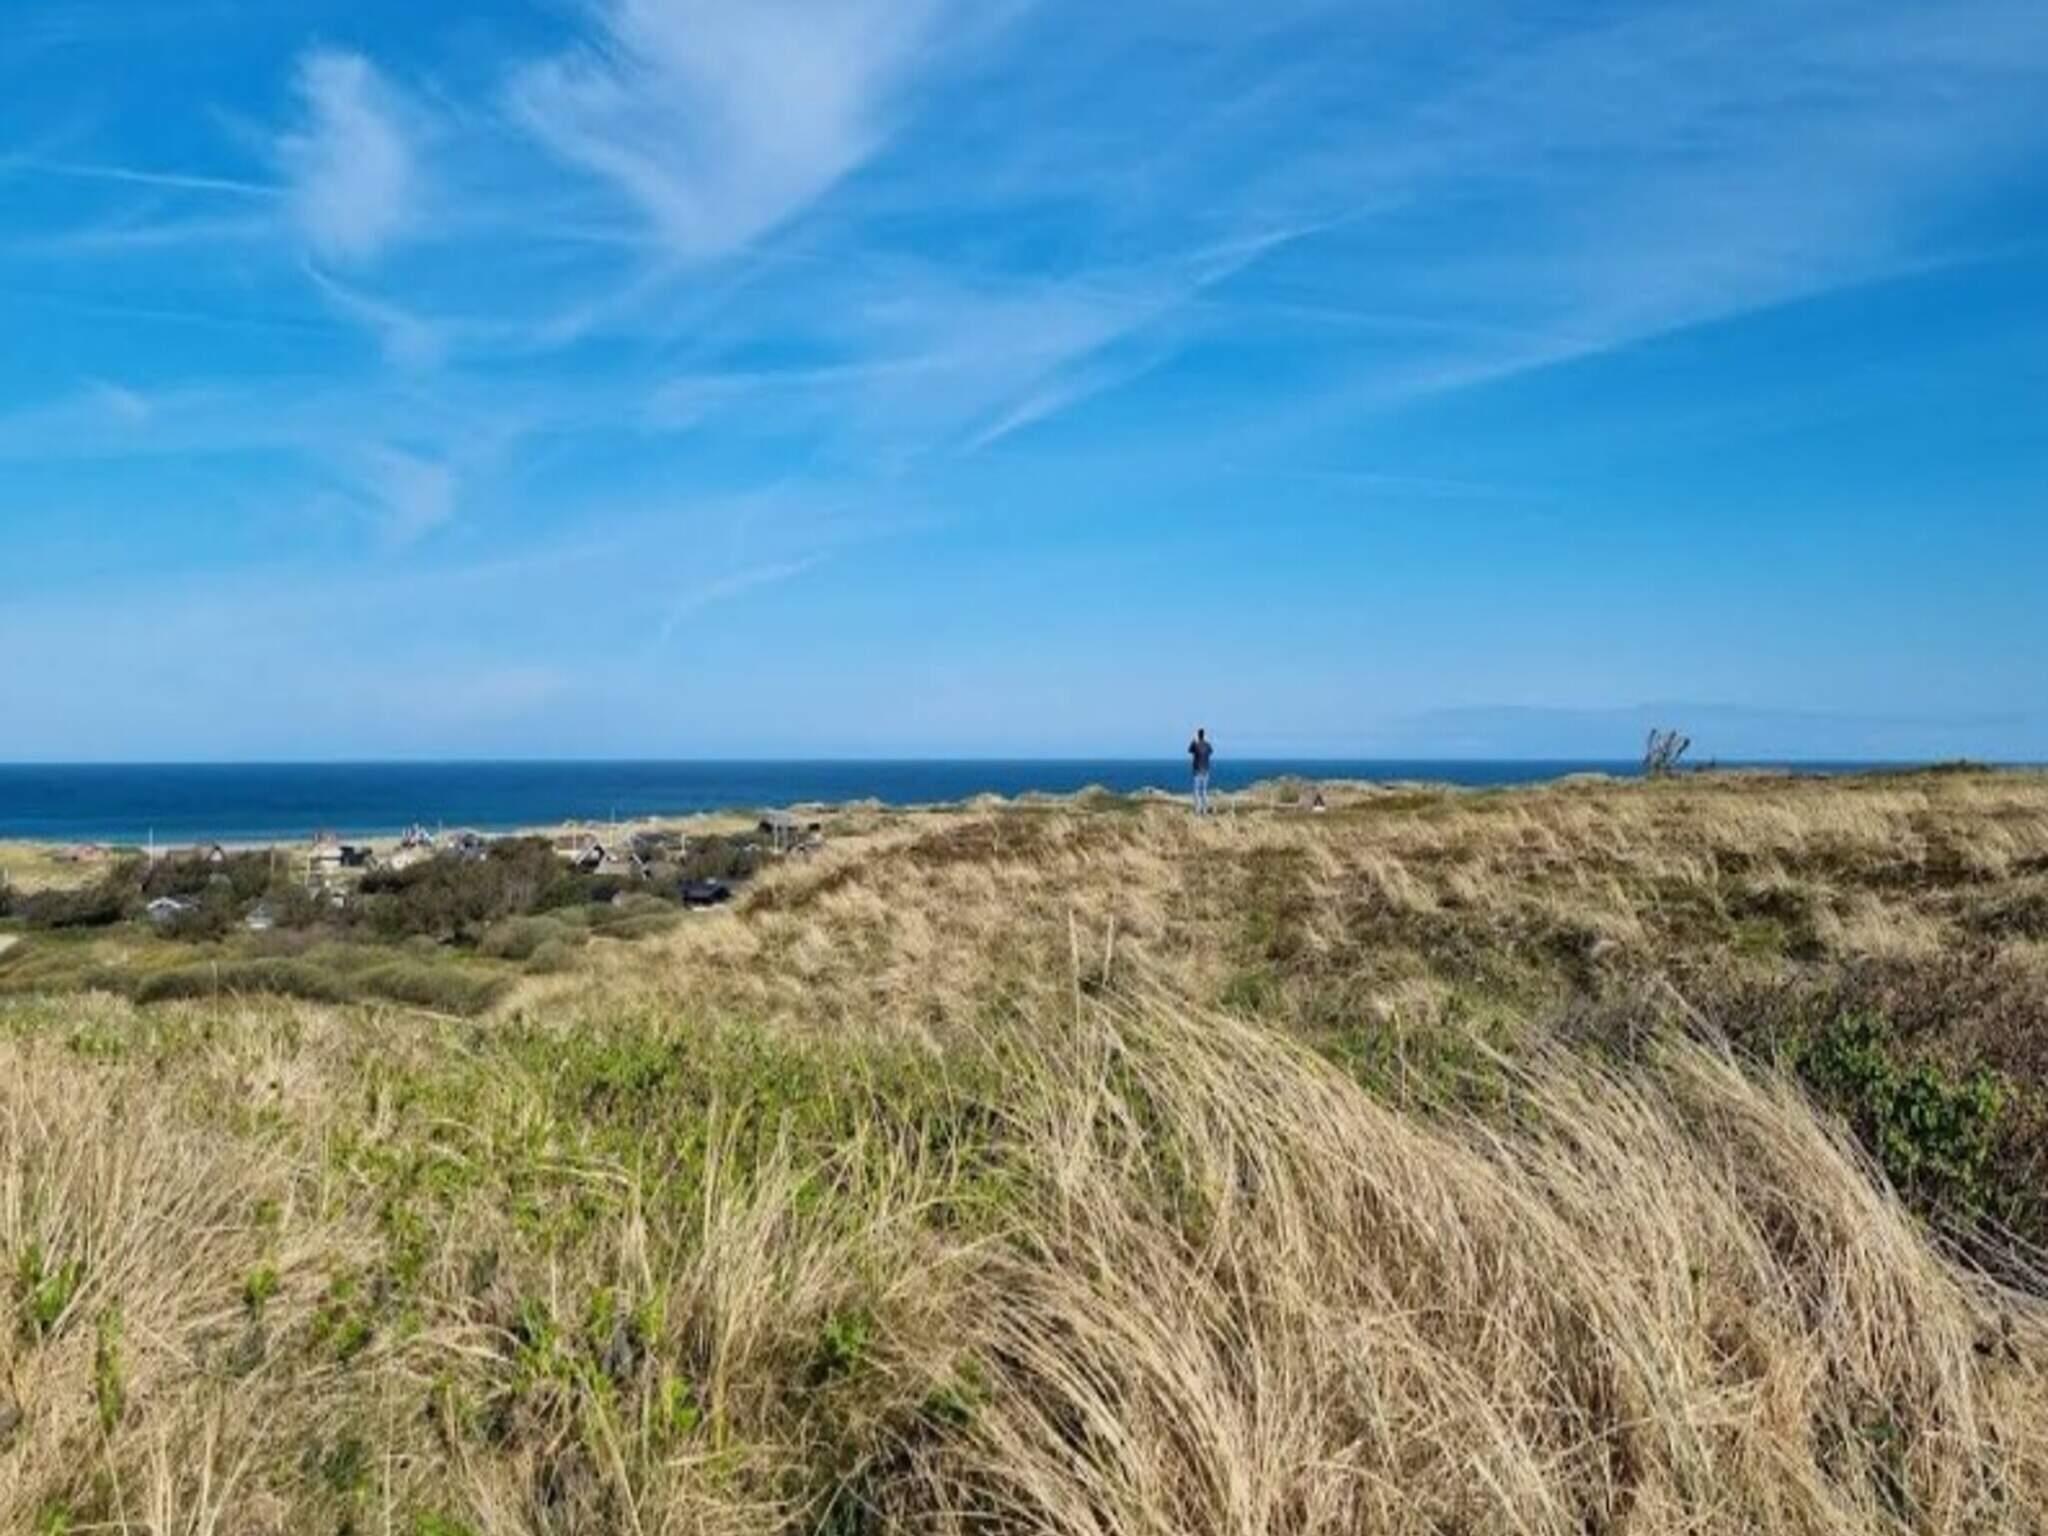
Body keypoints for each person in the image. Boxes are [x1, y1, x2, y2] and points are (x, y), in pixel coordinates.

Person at [1188, 728, 1215, 815]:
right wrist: (1206, 742)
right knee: (1204, 791)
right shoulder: (1207, 745)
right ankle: (1204, 810)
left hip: (1197, 770)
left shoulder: (1196, 745)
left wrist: (1193, 741)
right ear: (1204, 735)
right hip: (1206, 770)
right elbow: (1211, 751)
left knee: (1196, 790)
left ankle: (1197, 810)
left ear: (1198, 736)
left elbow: (1189, 750)